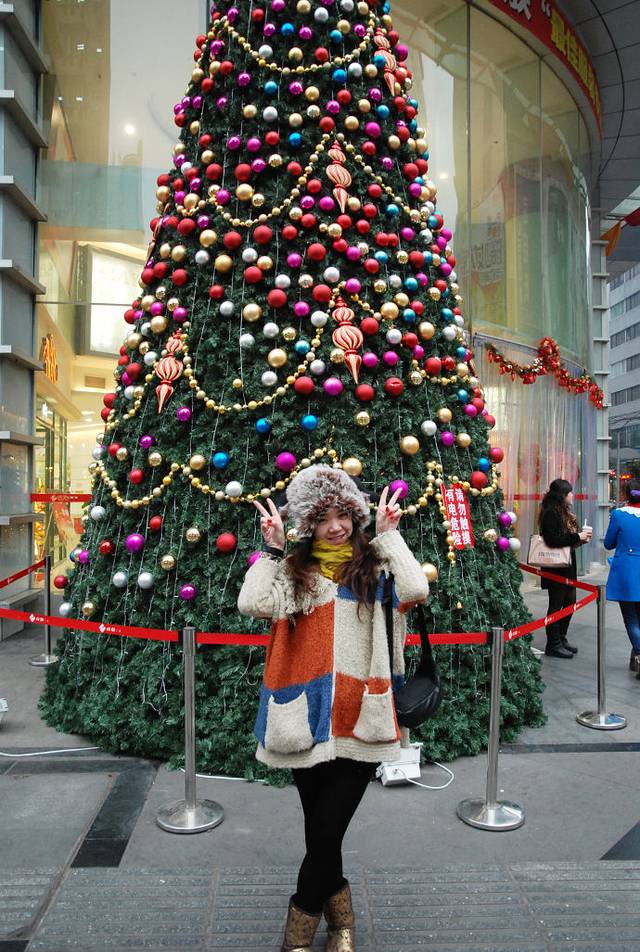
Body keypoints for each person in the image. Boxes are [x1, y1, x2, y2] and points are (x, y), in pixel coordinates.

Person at [238, 465, 429, 952]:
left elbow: (415, 589)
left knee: (326, 829)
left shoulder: (375, 567)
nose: (336, 526)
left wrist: (388, 535)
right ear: (308, 523)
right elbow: (252, 602)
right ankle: (342, 923)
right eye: (323, 518)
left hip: (362, 714)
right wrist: (272, 551)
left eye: (343, 515)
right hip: (304, 715)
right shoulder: (293, 571)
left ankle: (297, 934)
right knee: (321, 832)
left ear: (356, 516)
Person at [538, 479, 592, 658]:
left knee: (570, 602)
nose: (572, 495)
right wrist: (577, 536)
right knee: (556, 605)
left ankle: (561, 638)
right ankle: (553, 644)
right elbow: (552, 540)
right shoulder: (550, 513)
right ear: (562, 495)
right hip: (555, 567)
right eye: (569, 492)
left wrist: (580, 539)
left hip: (567, 564)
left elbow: (567, 539)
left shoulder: (565, 512)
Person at [604, 477, 640, 675]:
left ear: (626, 495)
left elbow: (608, 543)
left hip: (627, 571)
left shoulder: (619, 514)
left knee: (631, 618)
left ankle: (639, 654)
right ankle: (636, 660)